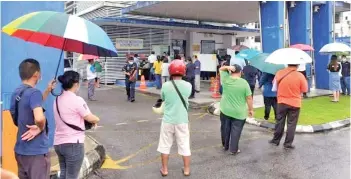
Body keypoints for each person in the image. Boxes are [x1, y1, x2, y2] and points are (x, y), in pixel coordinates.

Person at [10, 58, 55, 179]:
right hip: (36, 152)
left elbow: (32, 105)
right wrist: (40, 128)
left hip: (21, 150)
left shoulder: (17, 92)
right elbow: (39, 118)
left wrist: (47, 90)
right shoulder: (34, 93)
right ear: (36, 74)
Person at [54, 71, 100, 179]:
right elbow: (89, 117)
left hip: (58, 144)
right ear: (76, 84)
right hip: (73, 144)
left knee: (64, 174)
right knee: (72, 176)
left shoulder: (57, 100)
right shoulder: (77, 100)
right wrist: (97, 119)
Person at [157, 60, 192, 177]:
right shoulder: (188, 85)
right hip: (182, 120)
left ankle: (165, 169)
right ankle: (186, 170)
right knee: (184, 144)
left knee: (165, 145)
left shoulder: (165, 86)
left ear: (170, 71)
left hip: (168, 120)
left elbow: (162, 98)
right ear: (184, 71)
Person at [269, 64, 308, 149]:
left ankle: (275, 141)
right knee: (291, 124)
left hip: (281, 101)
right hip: (295, 103)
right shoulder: (300, 76)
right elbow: (305, 89)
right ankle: (288, 144)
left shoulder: (279, 73)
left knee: (279, 121)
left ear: (287, 64)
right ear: (297, 65)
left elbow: (274, 84)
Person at [219, 64, 254, 155]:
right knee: (236, 130)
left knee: (225, 128)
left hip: (225, 110)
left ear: (231, 71)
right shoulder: (244, 83)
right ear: (240, 72)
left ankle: (225, 145)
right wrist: (251, 109)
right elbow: (249, 98)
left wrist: (227, 67)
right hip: (239, 113)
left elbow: (221, 69)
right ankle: (233, 149)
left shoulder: (226, 79)